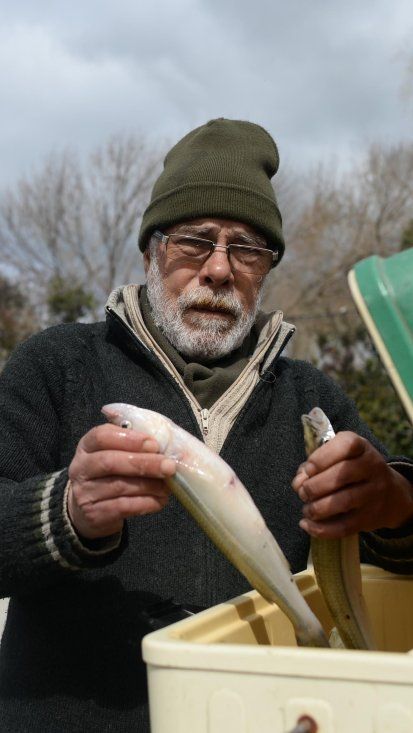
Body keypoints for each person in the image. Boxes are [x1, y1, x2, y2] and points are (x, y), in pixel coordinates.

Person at [0, 118, 412, 732]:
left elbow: (397, 560)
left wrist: (396, 503)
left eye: (247, 249)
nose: (219, 270)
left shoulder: (313, 397)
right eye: (195, 241)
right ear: (151, 250)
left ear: (265, 270)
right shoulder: (53, 366)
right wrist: (65, 512)